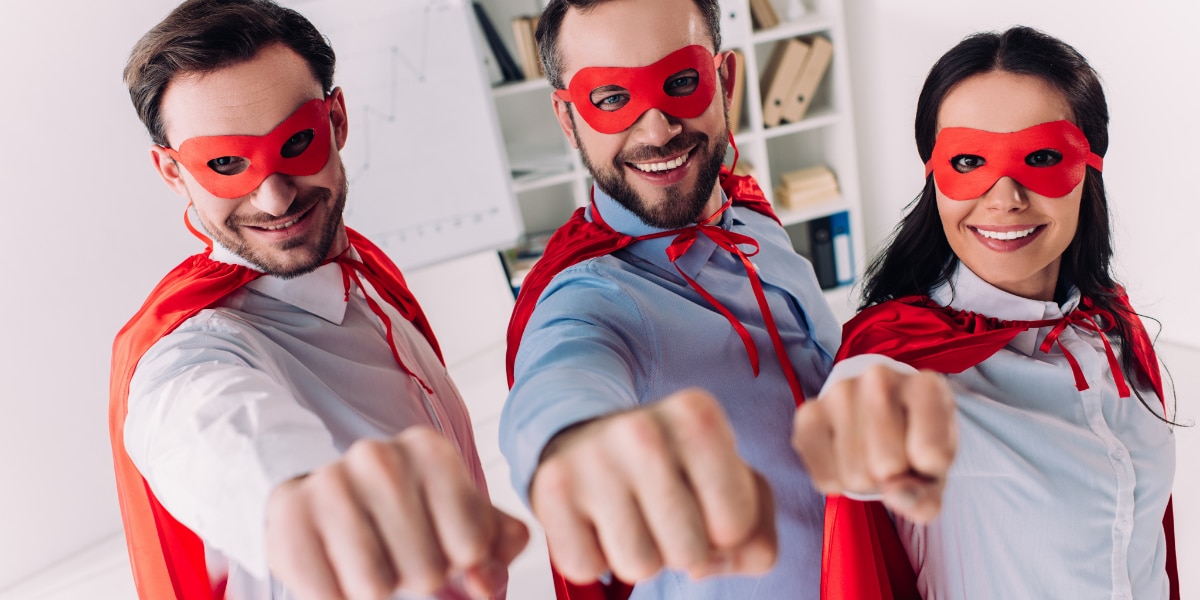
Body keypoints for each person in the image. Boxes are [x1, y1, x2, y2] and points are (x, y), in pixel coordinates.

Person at [500, 0, 958, 598]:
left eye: (681, 81)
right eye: (611, 98)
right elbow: (563, 371)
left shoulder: (751, 219)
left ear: (725, 81)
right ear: (567, 120)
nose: (657, 128)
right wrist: (575, 446)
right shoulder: (592, 296)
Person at [110, 1, 530, 599]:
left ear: (336, 121)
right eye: (226, 163)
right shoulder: (192, 352)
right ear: (173, 173)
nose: (276, 198)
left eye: (296, 141)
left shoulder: (369, 280)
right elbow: (203, 421)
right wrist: (297, 497)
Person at [819, 26, 1180, 600]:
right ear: (934, 177)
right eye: (969, 160)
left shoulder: (1116, 334)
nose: (1005, 195)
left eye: (1041, 157)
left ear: (1090, 167)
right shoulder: (897, 367)